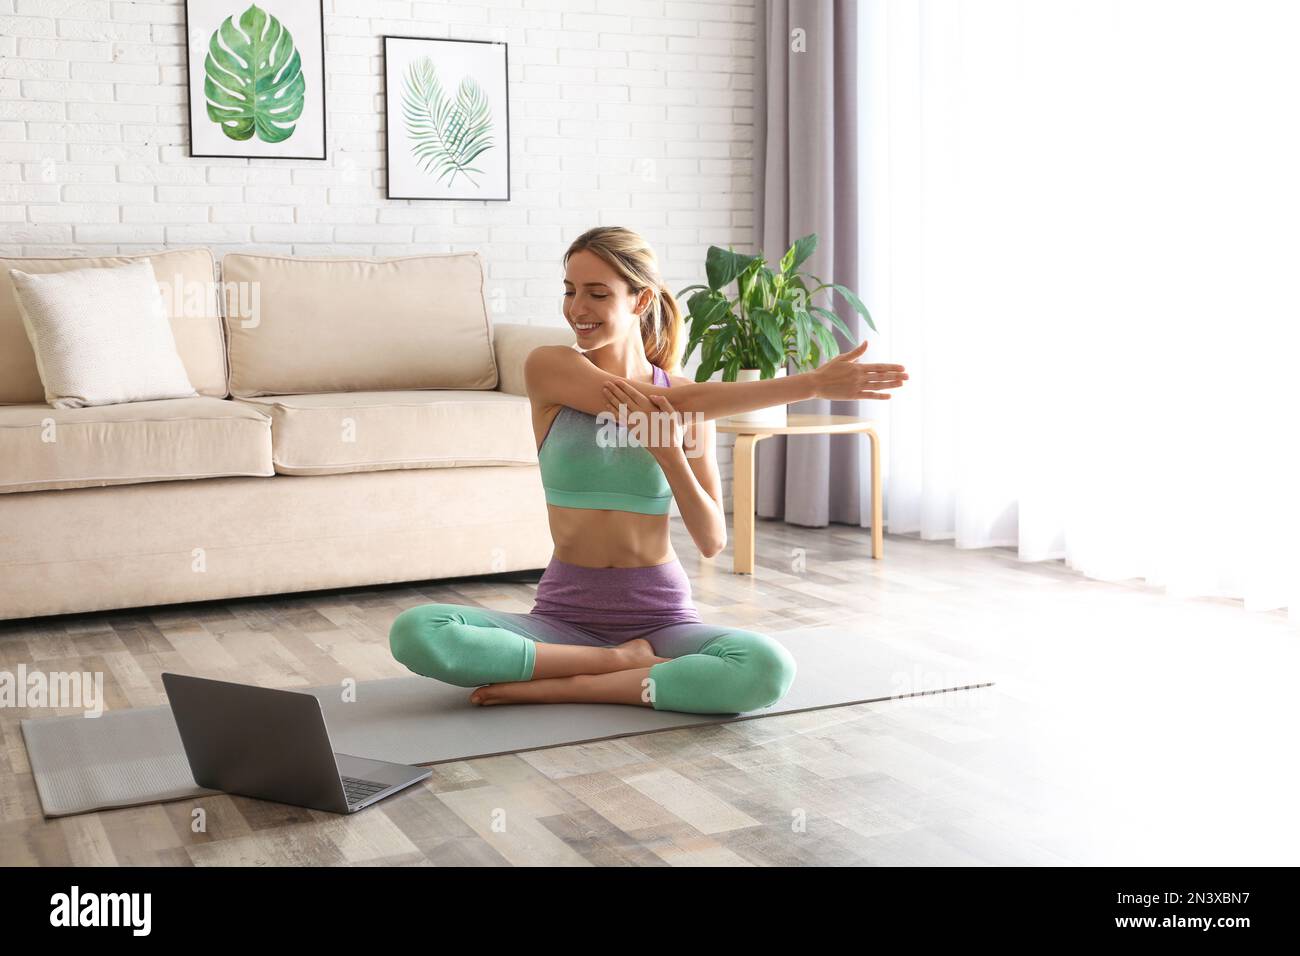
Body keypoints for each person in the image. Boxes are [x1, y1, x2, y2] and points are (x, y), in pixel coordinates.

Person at [388, 225, 908, 714]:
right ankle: (617, 667)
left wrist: (671, 457)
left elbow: (710, 541)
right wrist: (806, 385)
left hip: (660, 618)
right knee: (419, 631)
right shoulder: (551, 367)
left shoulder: (689, 402)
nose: (577, 308)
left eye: (596, 293)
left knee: (766, 667)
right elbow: (654, 404)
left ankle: (577, 686)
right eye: (569, 291)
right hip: (562, 615)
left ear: (639, 300)